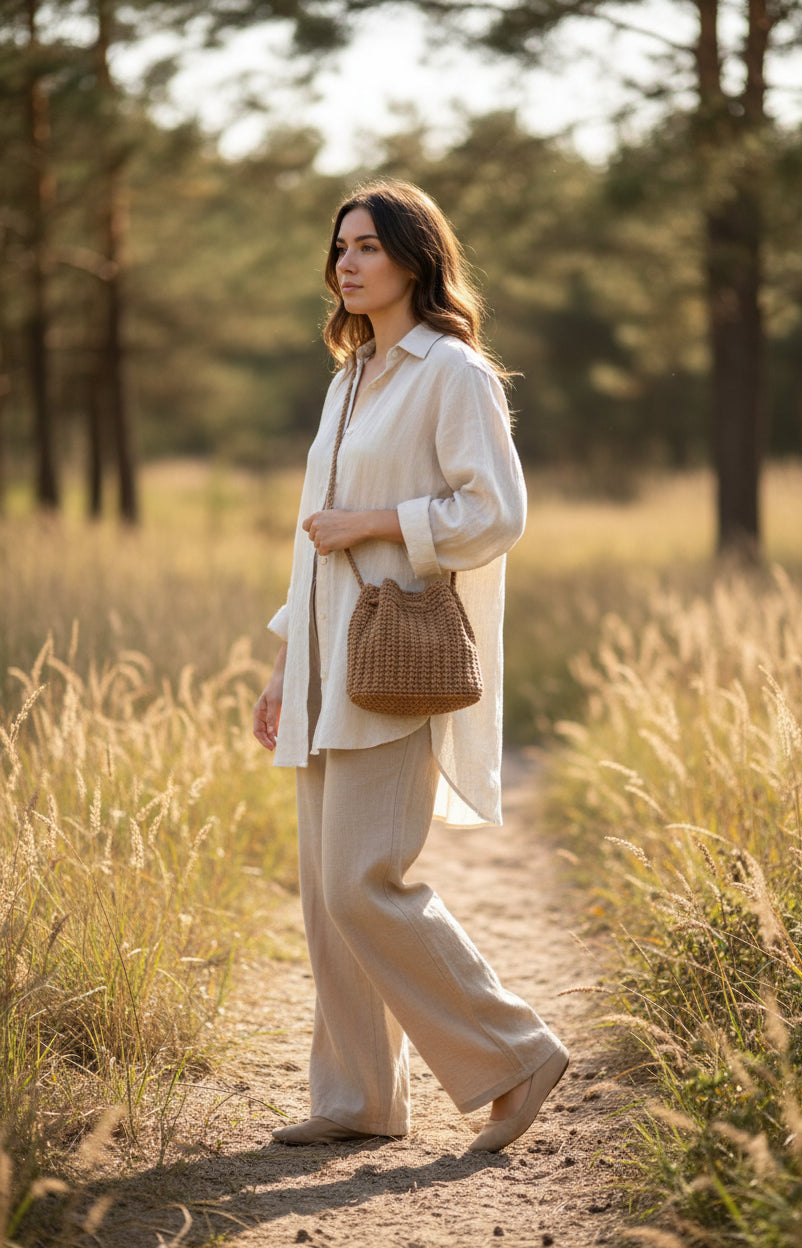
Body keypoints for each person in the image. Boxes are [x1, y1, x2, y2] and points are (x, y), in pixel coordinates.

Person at [252, 179, 569, 1152]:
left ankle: (515, 1050)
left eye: (369, 247)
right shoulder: (349, 379)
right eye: (339, 246)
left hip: (398, 664)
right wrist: (281, 664)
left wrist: (383, 524)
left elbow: (496, 515)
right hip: (321, 665)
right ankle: (357, 1099)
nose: (346, 262)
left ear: (414, 260)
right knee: (323, 892)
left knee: (362, 882)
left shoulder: (453, 372)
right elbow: (316, 544)